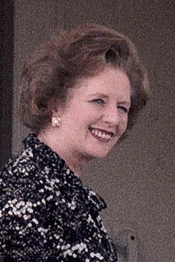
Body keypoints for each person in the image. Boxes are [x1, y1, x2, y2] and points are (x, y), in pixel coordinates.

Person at [0, 24, 149, 261]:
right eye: (98, 101)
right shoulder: (26, 189)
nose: (113, 118)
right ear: (55, 103)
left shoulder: (65, 189)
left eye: (122, 107)